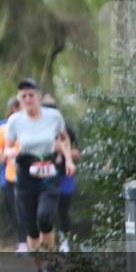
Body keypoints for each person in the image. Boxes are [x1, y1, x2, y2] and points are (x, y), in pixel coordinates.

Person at [3, 79, 76, 272]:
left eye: (31, 95)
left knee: (45, 218)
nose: (27, 99)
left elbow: (64, 139)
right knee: (32, 228)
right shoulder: (15, 121)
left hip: (49, 174)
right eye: (23, 96)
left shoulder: (53, 117)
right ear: (19, 99)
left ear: (39, 96)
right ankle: (39, 268)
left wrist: (69, 160)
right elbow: (7, 149)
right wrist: (12, 152)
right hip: (25, 176)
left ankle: (51, 264)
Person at [41, 93, 80, 253]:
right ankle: (46, 243)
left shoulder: (67, 129)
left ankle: (65, 242)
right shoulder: (38, 129)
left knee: (63, 210)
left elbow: (77, 152)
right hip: (45, 175)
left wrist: (65, 153)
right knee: (45, 211)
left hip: (64, 175)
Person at [0, 97, 29, 254]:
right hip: (11, 176)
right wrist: (1, 155)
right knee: (17, 211)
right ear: (14, 108)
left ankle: (34, 240)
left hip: (32, 176)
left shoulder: (34, 126)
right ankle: (22, 243)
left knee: (29, 210)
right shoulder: (3, 128)